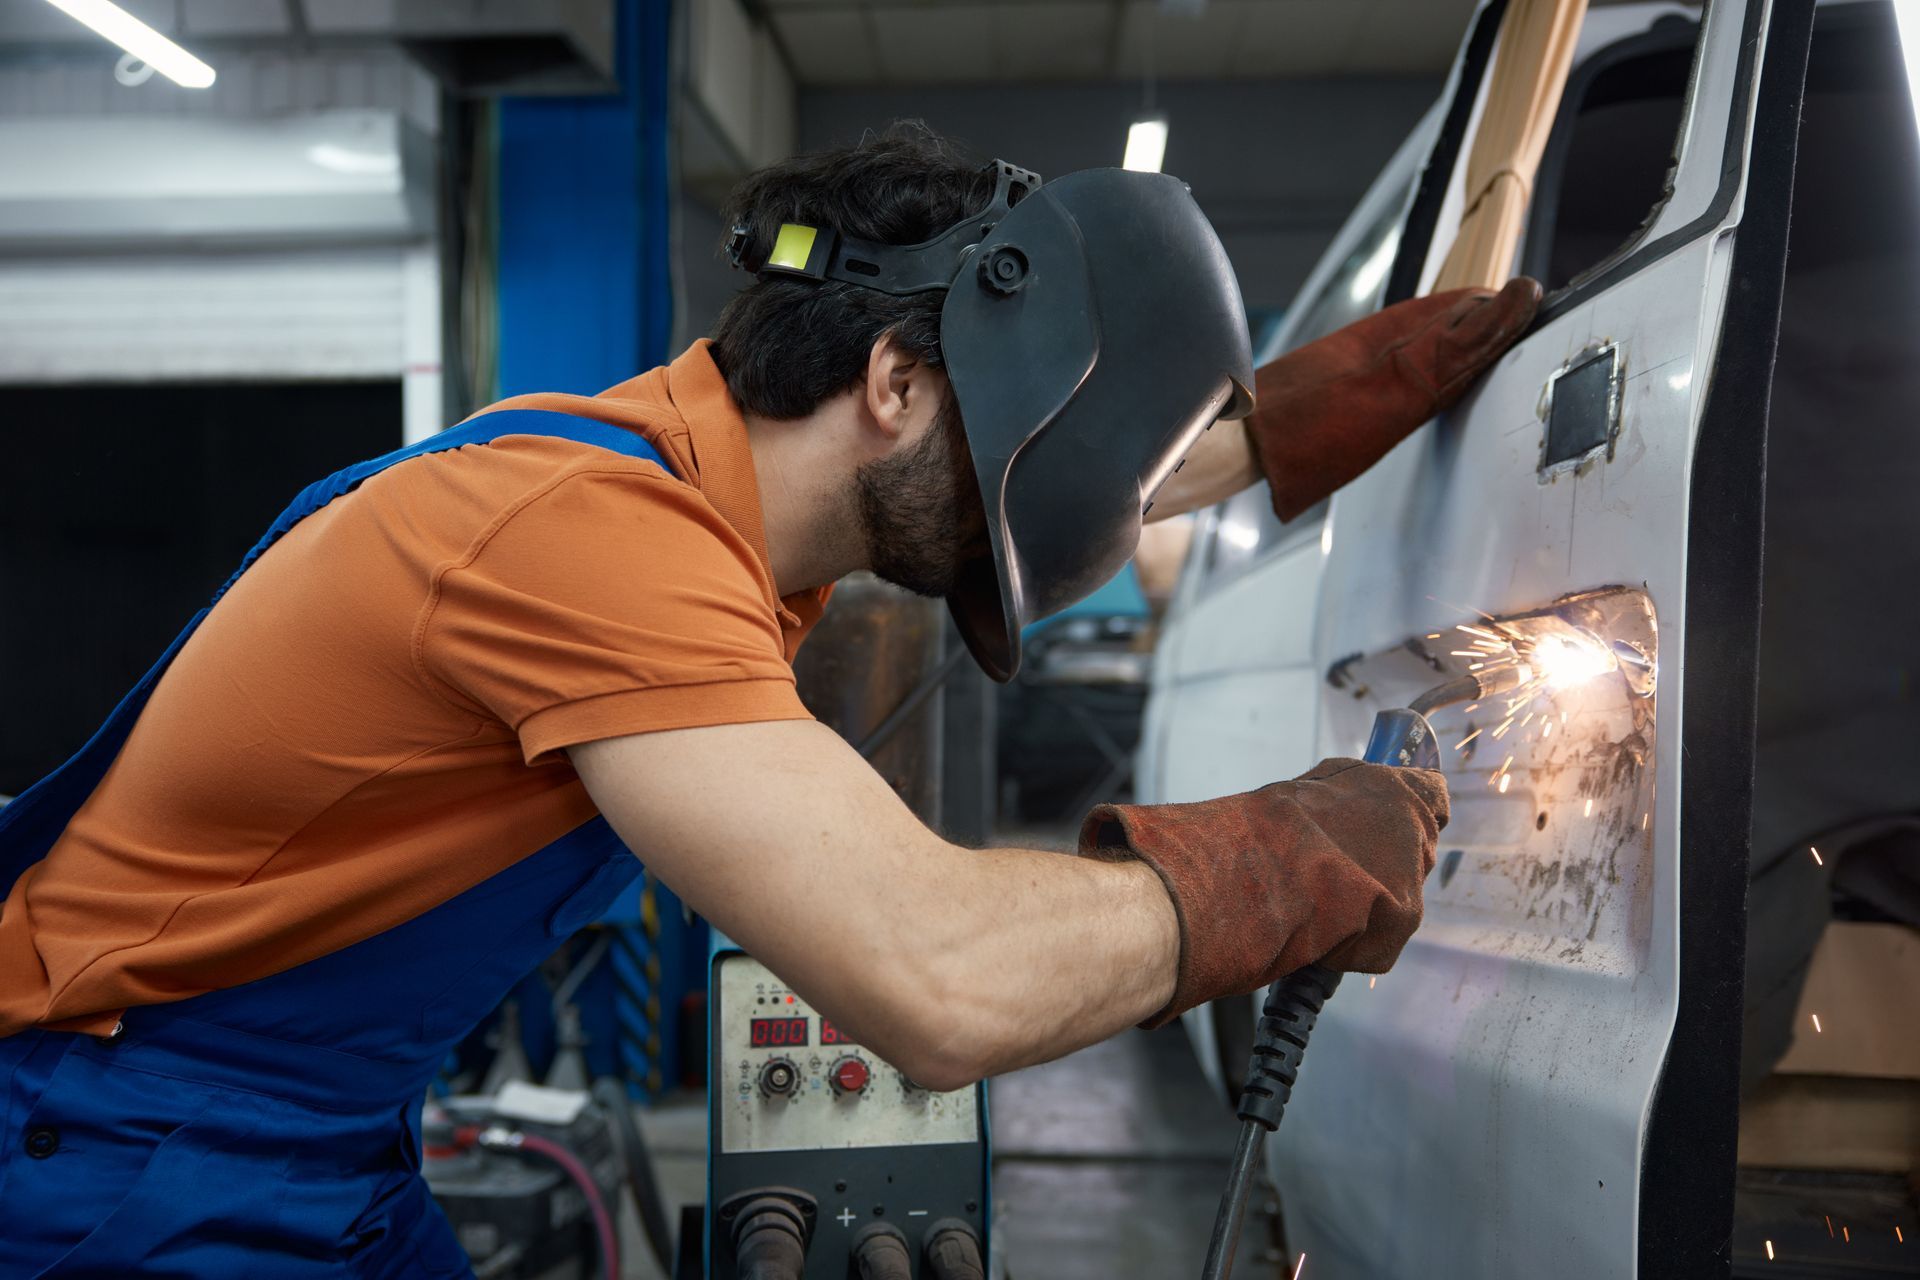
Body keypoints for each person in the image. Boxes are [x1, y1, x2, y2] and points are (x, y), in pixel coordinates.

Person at [0, 123, 1538, 1274]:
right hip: (122, 1160)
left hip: (301, 1139)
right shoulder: (593, 546)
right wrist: (1282, 857)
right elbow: (942, 981)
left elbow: (1016, 465)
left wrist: (1274, 428)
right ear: (889, 379)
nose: (1077, 503)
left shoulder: (659, 485)